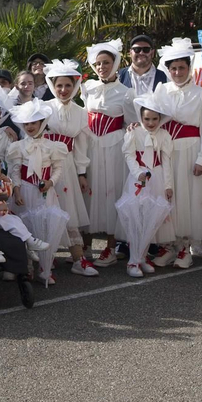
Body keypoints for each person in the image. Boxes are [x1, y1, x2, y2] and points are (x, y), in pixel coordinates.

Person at [6, 98, 90, 283]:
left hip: (45, 192)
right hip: (26, 192)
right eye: (26, 123)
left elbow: (58, 168)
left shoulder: (53, 146)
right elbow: (15, 170)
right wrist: (17, 190)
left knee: (46, 226)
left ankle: (46, 267)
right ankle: (26, 268)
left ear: (42, 123)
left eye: (34, 123)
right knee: (25, 228)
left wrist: (51, 182)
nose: (30, 127)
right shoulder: (18, 147)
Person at [155, 40, 202, 263]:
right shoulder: (161, 90)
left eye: (181, 68)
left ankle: (185, 246)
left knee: (188, 199)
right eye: (173, 68)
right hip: (167, 151)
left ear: (189, 68)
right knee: (169, 195)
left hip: (190, 150)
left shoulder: (201, 93)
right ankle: (169, 245)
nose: (177, 72)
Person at [80, 40, 132, 263]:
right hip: (91, 145)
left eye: (107, 62)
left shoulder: (126, 93)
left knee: (112, 192)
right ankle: (86, 245)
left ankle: (110, 247)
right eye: (98, 63)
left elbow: (131, 123)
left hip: (114, 147)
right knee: (89, 193)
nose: (102, 67)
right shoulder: (87, 88)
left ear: (116, 63)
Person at [41, 59, 95, 265]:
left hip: (68, 165)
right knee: (47, 206)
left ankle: (78, 258)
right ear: (52, 86)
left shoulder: (81, 113)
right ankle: (48, 255)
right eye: (59, 85)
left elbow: (81, 147)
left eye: (68, 85)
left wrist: (82, 173)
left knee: (69, 207)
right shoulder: (43, 108)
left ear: (75, 86)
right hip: (45, 164)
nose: (63, 89)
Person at [116, 94, 175, 276]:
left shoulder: (164, 135)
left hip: (156, 178)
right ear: (140, 118)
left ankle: (142, 257)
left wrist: (168, 185)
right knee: (137, 218)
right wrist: (138, 173)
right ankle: (132, 261)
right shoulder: (134, 132)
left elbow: (166, 162)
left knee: (151, 219)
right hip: (139, 178)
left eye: (154, 119)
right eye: (146, 119)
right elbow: (129, 156)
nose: (150, 123)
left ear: (160, 118)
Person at [0, 151, 48, 256]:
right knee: (12, 223)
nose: (1, 170)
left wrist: (7, 182)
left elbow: (7, 194)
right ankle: (30, 241)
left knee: (16, 220)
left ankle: (29, 244)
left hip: (1, 215)